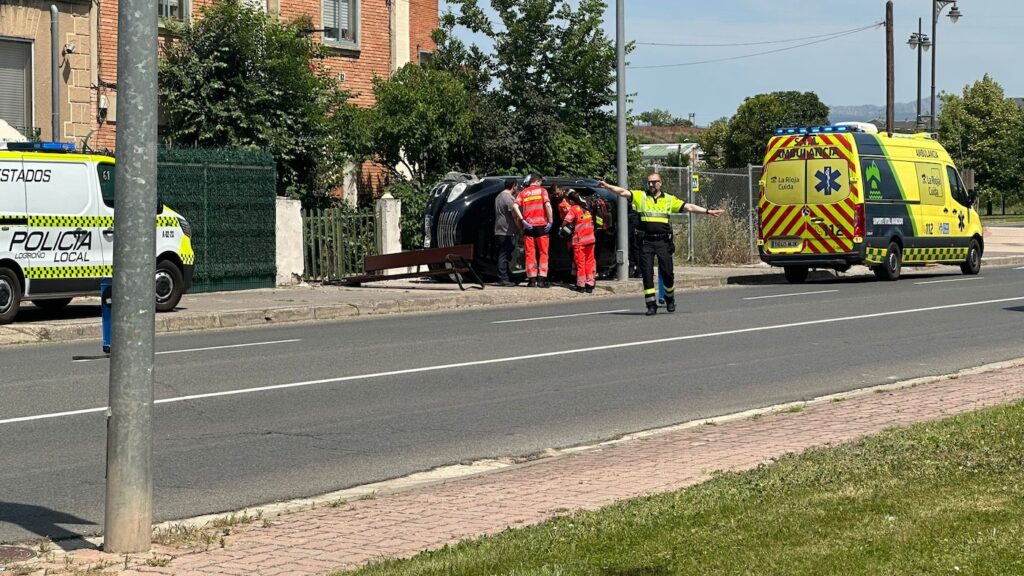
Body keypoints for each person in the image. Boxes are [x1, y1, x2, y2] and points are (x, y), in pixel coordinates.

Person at [598, 174, 724, 316]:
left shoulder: (669, 199)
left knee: (667, 273)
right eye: (649, 182)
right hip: (646, 242)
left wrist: (708, 211)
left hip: (663, 242)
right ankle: (651, 304)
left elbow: (688, 207)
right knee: (646, 273)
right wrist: (608, 187)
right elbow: (622, 192)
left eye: (653, 182)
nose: (651, 185)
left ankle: (669, 298)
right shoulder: (641, 196)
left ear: (660, 183)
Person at [512, 173, 553, 288]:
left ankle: (532, 280)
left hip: (528, 227)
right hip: (542, 227)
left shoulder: (523, 192)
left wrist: (522, 220)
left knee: (530, 253)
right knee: (543, 253)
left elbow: (514, 207)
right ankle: (541, 279)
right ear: (538, 181)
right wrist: (550, 221)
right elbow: (548, 206)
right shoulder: (542, 191)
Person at [562, 190, 597, 293]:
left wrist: (564, 229)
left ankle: (581, 285)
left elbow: (565, 223)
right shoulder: (586, 207)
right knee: (590, 262)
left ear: (572, 201)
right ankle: (590, 284)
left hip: (579, 241)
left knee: (580, 263)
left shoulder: (574, 209)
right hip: (590, 239)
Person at [493, 178, 519, 287]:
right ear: (514, 186)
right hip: (506, 230)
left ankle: (505, 276)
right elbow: (514, 214)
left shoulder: (498, 196)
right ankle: (503, 278)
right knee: (504, 254)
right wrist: (520, 227)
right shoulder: (508, 198)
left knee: (503, 253)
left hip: (499, 229)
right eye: (517, 186)